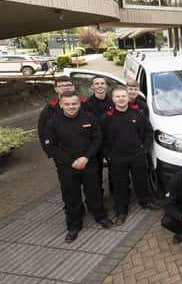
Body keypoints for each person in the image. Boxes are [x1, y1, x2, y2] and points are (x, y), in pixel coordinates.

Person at [44, 92, 113, 242]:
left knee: (94, 192)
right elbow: (51, 147)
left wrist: (86, 157)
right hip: (67, 167)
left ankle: (100, 217)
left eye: (74, 104)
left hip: (89, 164)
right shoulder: (53, 123)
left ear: (79, 103)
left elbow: (97, 139)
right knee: (71, 197)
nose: (71, 107)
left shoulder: (89, 118)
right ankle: (73, 225)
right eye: (67, 104)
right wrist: (70, 161)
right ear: (61, 104)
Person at [100, 86, 160, 226]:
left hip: (137, 155)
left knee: (141, 180)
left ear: (128, 98)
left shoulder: (137, 113)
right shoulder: (106, 118)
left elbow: (148, 132)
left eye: (123, 96)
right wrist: (109, 156)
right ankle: (121, 211)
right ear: (113, 99)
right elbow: (101, 139)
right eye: (118, 96)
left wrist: (143, 149)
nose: (121, 99)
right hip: (117, 159)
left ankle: (145, 202)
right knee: (120, 185)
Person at [38, 76, 86, 155]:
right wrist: (50, 153)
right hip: (63, 155)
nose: (66, 88)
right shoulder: (49, 109)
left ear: (73, 87)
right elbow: (43, 133)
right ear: (56, 89)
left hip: (87, 154)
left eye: (69, 85)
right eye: (62, 86)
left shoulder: (85, 104)